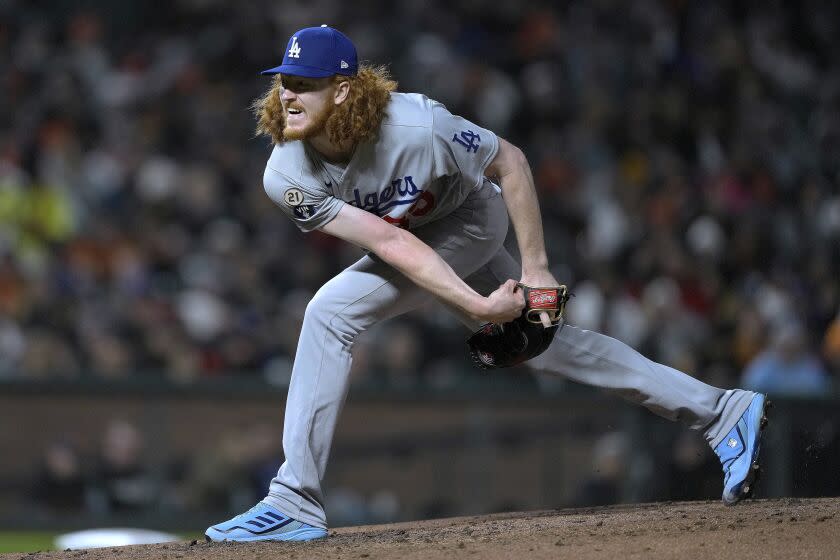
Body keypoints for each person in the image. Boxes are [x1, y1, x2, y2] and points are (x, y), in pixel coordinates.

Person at [206, 25, 769, 542]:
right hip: (413, 237)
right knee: (547, 350)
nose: (288, 93)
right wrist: (482, 306)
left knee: (330, 312)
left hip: (473, 217)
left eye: (305, 83)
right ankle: (721, 411)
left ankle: (295, 499)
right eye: (285, 81)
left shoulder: (419, 126)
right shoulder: (285, 172)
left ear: (345, 90)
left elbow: (512, 163)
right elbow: (391, 244)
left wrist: (536, 268)